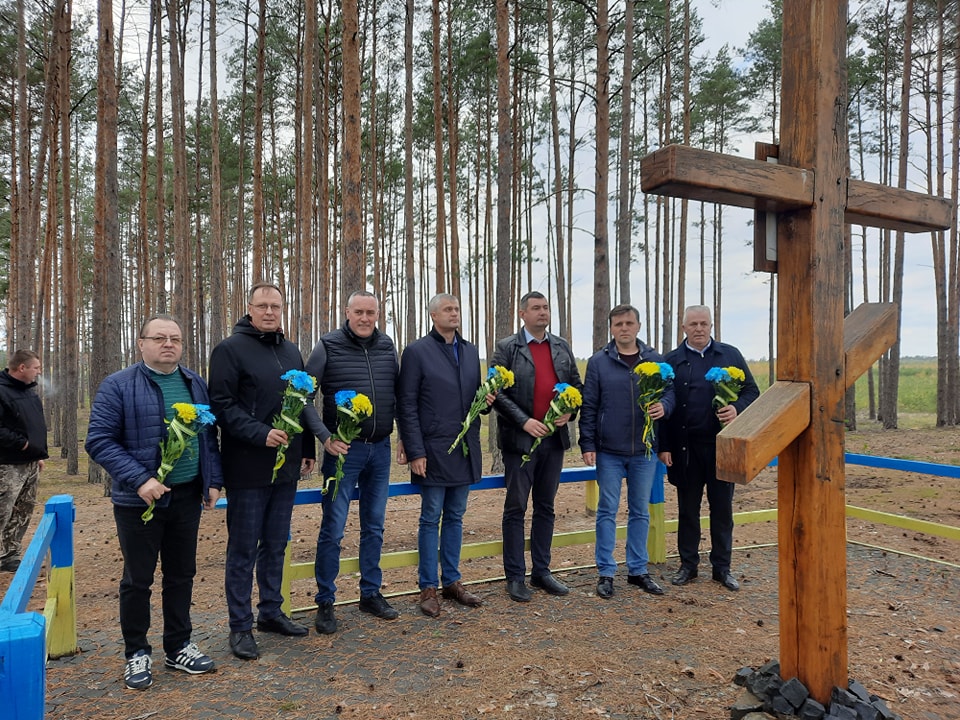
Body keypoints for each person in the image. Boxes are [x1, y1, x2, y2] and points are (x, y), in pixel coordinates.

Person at [85, 316, 221, 690]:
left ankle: (178, 646)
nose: (168, 344)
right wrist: (140, 479)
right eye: (159, 338)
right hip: (137, 501)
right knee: (138, 580)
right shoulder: (119, 386)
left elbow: (208, 437)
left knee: (181, 575)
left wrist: (213, 480)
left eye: (175, 338)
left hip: (187, 497)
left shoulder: (194, 383)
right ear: (141, 342)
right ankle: (136, 652)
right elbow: (99, 441)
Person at [208, 282, 317, 661]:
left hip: (285, 468)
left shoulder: (290, 351)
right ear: (249, 308)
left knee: (276, 544)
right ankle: (240, 626)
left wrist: (306, 449)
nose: (270, 312)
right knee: (243, 549)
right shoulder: (229, 349)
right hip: (248, 467)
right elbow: (221, 405)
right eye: (263, 305)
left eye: (276, 306)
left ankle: (271, 611)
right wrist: (259, 434)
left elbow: (301, 406)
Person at [306, 290, 400, 634]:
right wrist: (325, 437)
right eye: (358, 312)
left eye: (370, 312)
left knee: (374, 526)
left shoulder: (387, 346)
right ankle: (326, 601)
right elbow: (304, 396)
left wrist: (403, 436)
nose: (364, 318)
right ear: (347, 312)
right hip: (345, 451)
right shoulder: (327, 346)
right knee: (333, 528)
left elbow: (399, 392)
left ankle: (370, 593)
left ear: (378, 314)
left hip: (381, 449)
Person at [396, 294, 486, 617]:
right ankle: (428, 587)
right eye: (448, 309)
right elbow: (406, 404)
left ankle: (452, 581)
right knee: (430, 517)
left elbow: (474, 395)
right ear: (433, 315)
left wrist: (485, 401)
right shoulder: (417, 352)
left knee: (456, 517)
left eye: (457, 309)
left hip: (463, 451)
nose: (454, 313)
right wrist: (415, 449)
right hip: (432, 451)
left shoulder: (471, 351)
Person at [658, 305, 759, 592]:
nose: (699, 328)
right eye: (693, 324)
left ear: (712, 325)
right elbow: (664, 405)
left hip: (722, 448)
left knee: (722, 510)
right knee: (687, 510)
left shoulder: (730, 355)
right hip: (684, 449)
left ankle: (722, 568)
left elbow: (752, 391)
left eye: (704, 323)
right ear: (684, 327)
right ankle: (688, 566)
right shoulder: (672, 361)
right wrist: (664, 447)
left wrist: (737, 408)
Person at [491, 291, 583, 602]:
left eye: (545, 308)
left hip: (553, 442)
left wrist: (570, 411)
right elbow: (496, 393)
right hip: (520, 442)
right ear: (522, 314)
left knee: (546, 506)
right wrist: (524, 421)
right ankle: (515, 576)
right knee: (516, 508)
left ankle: (542, 571)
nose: (542, 313)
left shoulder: (561, 347)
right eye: (535, 308)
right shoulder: (507, 348)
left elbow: (576, 386)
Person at [579, 305, 674, 599]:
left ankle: (637, 570)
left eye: (629, 323)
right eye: (618, 324)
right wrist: (588, 444)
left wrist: (665, 406)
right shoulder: (599, 362)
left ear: (638, 325)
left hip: (644, 451)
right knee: (607, 511)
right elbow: (590, 405)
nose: (624, 328)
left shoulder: (655, 360)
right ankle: (606, 572)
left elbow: (670, 393)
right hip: (609, 451)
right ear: (611, 328)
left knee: (640, 512)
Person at [0, 350, 48, 574]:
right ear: (21, 368)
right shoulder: (2, 391)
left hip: (30, 464)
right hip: (7, 465)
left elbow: (33, 425)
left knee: (23, 510)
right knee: (3, 510)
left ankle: (9, 555)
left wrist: (36, 454)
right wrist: (23, 445)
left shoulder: (29, 393)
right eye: (36, 368)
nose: (39, 372)